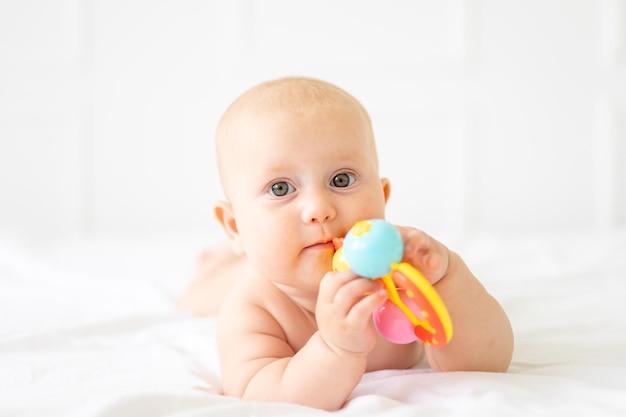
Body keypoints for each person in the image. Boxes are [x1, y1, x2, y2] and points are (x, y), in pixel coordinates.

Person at [177, 76, 514, 411]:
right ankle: (218, 261)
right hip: (235, 278)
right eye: (280, 188)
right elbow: (257, 394)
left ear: (382, 197)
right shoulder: (254, 308)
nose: (319, 209)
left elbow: (485, 363)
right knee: (201, 294)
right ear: (235, 227)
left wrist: (449, 278)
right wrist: (333, 349)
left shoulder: (404, 276)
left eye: (341, 180)